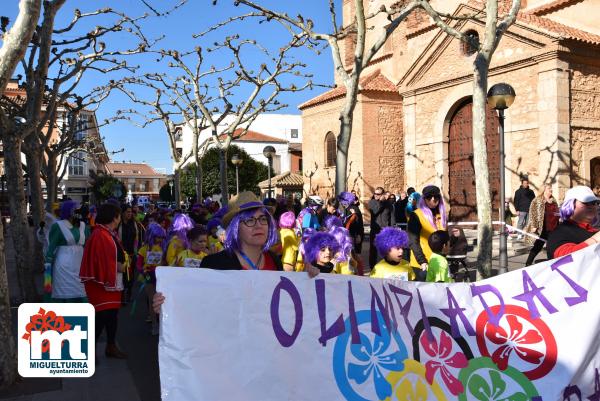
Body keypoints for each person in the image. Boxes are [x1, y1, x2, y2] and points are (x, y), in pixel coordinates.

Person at [80, 203, 127, 359]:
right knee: (101, 317)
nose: (120, 219)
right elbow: (100, 260)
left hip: (112, 282)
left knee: (112, 315)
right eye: (119, 216)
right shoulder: (100, 234)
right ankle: (88, 352)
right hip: (101, 283)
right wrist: (117, 266)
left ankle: (111, 346)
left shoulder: (107, 232)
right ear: (114, 217)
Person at [46, 201, 90, 302]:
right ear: (68, 212)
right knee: (66, 297)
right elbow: (51, 248)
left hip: (80, 266)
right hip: (63, 267)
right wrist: (47, 270)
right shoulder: (58, 226)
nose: (78, 212)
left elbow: (88, 245)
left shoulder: (83, 226)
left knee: (81, 296)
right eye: (75, 209)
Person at [546, 186, 600, 259]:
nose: (591, 206)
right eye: (586, 203)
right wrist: (595, 240)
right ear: (570, 204)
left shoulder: (593, 230)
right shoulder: (560, 232)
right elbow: (564, 259)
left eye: (594, 203)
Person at [407, 185, 447, 281]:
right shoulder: (416, 215)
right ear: (424, 199)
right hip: (423, 264)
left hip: (439, 262)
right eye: (429, 197)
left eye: (436, 196)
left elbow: (444, 239)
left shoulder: (442, 216)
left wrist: (455, 237)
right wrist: (422, 261)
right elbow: (413, 241)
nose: (433, 199)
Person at [137, 223, 167, 335]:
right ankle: (154, 324)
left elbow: (166, 261)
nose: (159, 239)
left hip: (161, 276)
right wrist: (143, 271)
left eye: (161, 237)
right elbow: (139, 264)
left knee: (161, 300)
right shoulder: (144, 249)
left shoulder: (164, 247)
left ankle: (162, 324)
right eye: (157, 237)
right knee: (152, 300)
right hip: (149, 276)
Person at [524, 184, 559, 265]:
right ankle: (528, 263)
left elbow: (556, 211)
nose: (551, 190)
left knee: (552, 247)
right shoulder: (537, 200)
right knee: (538, 246)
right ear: (544, 190)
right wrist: (534, 225)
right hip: (543, 227)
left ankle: (552, 264)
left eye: (551, 188)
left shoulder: (553, 200)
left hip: (553, 227)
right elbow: (532, 213)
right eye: (549, 188)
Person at [119, 204, 145, 301]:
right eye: (127, 212)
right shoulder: (119, 224)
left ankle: (129, 292)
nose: (129, 214)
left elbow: (138, 238)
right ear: (123, 213)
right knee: (123, 274)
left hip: (132, 253)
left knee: (131, 274)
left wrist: (137, 251)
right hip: (122, 254)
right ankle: (123, 293)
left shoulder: (134, 223)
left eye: (130, 212)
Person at [368, 187, 395, 267]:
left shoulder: (389, 204)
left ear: (382, 194)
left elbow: (392, 218)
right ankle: (372, 268)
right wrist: (381, 201)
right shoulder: (372, 202)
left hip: (385, 231)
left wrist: (392, 229)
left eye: (378, 194)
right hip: (375, 230)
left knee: (386, 250)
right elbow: (375, 211)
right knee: (373, 250)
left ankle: (386, 266)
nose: (376, 195)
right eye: (375, 193)